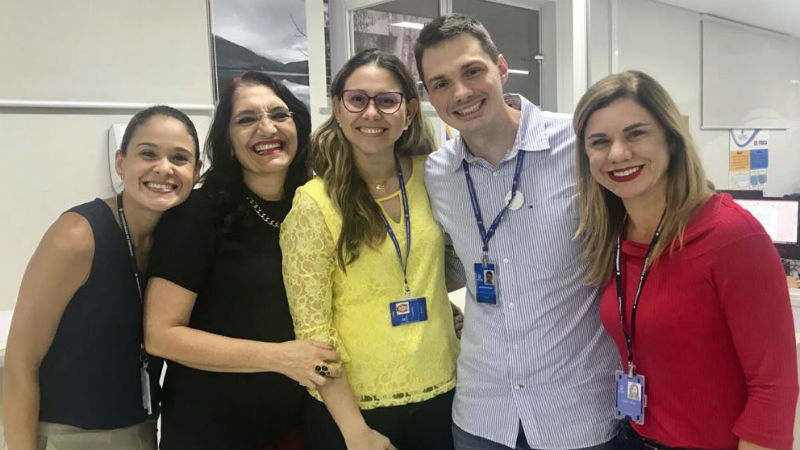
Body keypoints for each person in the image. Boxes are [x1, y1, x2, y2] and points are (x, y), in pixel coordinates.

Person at [415, 14, 620, 450]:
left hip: (577, 415)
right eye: (441, 83)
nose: (462, 93)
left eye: (473, 71)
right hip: (481, 417)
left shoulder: (579, 144)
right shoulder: (437, 173)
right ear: (429, 95)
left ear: (501, 68)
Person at [573, 70, 798, 450]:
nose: (617, 153)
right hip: (632, 436)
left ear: (671, 139)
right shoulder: (611, 236)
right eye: (600, 141)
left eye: (635, 133)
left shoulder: (732, 236)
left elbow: (773, 387)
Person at [143, 72, 339, 450]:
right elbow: (161, 334)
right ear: (229, 143)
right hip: (215, 429)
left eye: (279, 115)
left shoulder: (319, 204)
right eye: (246, 119)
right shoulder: (198, 215)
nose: (267, 127)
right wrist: (280, 358)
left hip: (304, 421)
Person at [280, 48, 460, 450]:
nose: (372, 113)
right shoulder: (314, 204)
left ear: (409, 112)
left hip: (444, 391)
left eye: (387, 100)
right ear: (338, 109)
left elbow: (442, 264)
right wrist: (354, 431)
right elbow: (314, 333)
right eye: (357, 99)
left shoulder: (435, 177)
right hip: (356, 411)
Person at [3, 105, 201, 450]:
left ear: (196, 172)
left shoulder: (176, 243)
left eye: (180, 158)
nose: (164, 168)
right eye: (148, 153)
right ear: (121, 163)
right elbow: (20, 364)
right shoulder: (77, 236)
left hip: (141, 431)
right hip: (67, 437)